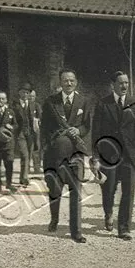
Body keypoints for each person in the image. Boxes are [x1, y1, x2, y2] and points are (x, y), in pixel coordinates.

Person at [91, 71, 135, 241]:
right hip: (109, 155)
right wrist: (96, 157)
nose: (124, 86)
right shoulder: (102, 104)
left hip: (129, 155)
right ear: (112, 84)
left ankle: (124, 228)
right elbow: (96, 133)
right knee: (109, 188)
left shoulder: (134, 103)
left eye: (126, 83)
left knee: (129, 191)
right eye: (121, 83)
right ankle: (108, 212)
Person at [41, 69, 91, 243]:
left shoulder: (83, 101)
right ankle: (54, 219)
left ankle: (76, 231)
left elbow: (87, 126)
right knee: (55, 189)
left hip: (76, 154)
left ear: (76, 82)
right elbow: (44, 129)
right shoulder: (50, 102)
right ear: (60, 82)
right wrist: (52, 143)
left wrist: (78, 130)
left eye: (71, 80)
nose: (68, 84)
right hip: (55, 154)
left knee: (76, 191)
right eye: (65, 80)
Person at [12, 83, 38, 186]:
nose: (25, 94)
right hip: (20, 132)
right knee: (24, 154)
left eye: (27, 92)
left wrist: (38, 121)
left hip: (31, 133)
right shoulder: (14, 105)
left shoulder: (33, 104)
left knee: (29, 154)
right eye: (23, 92)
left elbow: (39, 116)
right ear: (19, 92)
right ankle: (24, 177)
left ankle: (23, 177)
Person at [29, 90, 43, 174]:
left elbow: (40, 116)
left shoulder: (36, 105)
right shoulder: (24, 105)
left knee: (36, 148)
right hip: (26, 130)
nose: (31, 98)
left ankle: (36, 167)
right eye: (30, 96)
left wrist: (37, 120)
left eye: (33, 96)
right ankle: (26, 168)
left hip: (35, 129)